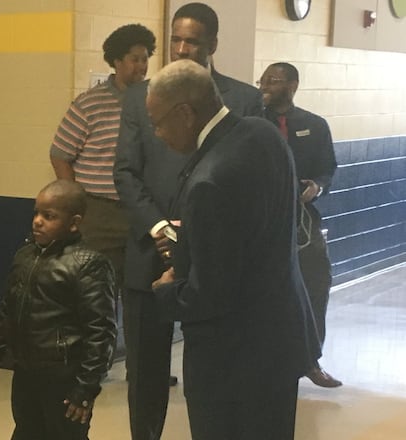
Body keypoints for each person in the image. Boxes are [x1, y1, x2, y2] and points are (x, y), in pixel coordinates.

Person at [113, 3, 262, 439]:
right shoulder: (141, 97)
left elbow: (243, 181)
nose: (180, 48)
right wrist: (159, 228)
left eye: (191, 41)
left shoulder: (243, 100)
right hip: (149, 253)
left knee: (212, 367)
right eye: (175, 39)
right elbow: (125, 170)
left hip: (214, 260)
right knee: (144, 373)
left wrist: (191, 236)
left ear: (212, 45)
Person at [149, 59, 317, 440]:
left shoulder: (211, 179)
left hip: (232, 359)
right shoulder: (263, 133)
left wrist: (167, 290)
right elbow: (253, 236)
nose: (156, 134)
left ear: (185, 113)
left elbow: (210, 294)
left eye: (158, 121)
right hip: (280, 338)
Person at [0, 180, 117, 440]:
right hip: (27, 371)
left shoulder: (89, 265)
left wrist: (86, 387)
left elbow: (101, 332)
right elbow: (7, 311)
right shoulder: (25, 256)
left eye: (49, 216)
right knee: (27, 431)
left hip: (65, 375)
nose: (38, 221)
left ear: (73, 223)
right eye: (36, 213)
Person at [49, 24, 156, 355]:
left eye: (145, 58)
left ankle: (142, 364)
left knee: (143, 293)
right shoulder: (89, 104)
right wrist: (75, 202)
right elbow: (60, 154)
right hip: (98, 212)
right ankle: (93, 360)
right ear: (116, 62)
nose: (141, 66)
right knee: (96, 293)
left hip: (141, 211)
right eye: (134, 59)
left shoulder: (156, 102)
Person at [259, 61, 342, 388]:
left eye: (274, 80)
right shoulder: (251, 123)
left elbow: (328, 169)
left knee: (316, 282)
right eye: (263, 79)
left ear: (293, 85)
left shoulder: (314, 125)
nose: (265, 84)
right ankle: (266, 361)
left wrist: (316, 188)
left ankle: (310, 359)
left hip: (303, 220)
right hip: (263, 218)